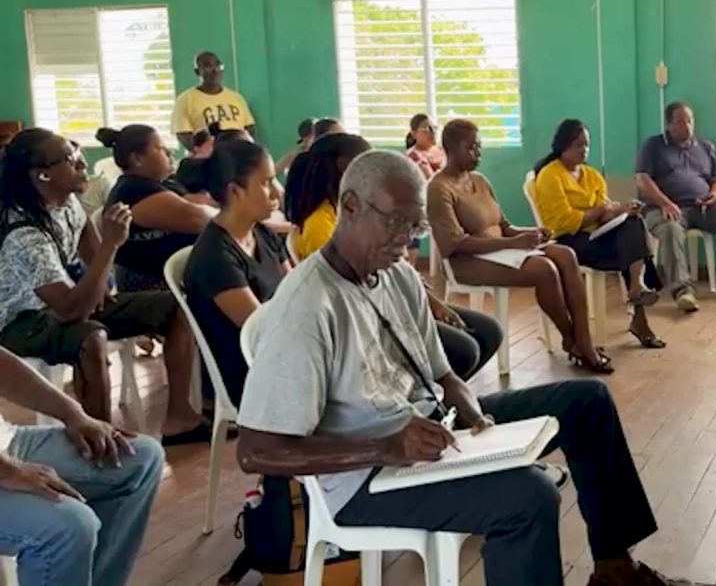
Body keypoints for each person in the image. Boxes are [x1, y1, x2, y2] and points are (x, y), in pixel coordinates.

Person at [236, 150, 681, 586]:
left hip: (429, 435)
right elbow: (256, 450)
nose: (405, 241)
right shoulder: (307, 307)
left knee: (587, 403)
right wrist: (382, 448)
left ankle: (614, 570)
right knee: (527, 497)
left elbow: (443, 376)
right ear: (349, 206)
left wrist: (471, 410)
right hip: (364, 478)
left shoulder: (394, 274)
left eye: (416, 228)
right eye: (396, 224)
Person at [0, 129, 204, 443]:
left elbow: (93, 260)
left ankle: (180, 419)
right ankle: (102, 438)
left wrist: (117, 300)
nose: (82, 163)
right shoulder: (24, 234)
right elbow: (71, 309)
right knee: (90, 336)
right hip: (19, 322)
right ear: (42, 175)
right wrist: (111, 244)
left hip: (66, 303)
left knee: (176, 306)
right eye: (70, 158)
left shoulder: (67, 204)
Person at [288, 133, 500, 379]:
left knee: (488, 331)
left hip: (390, 296)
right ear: (347, 169)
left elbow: (392, 270)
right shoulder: (322, 222)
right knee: (464, 350)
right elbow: (351, 284)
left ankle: (440, 401)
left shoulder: (347, 208)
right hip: (367, 313)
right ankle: (429, 399)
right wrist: (425, 306)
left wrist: (429, 301)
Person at [430, 120, 609, 373]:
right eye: (471, 148)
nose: (478, 153)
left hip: (503, 250)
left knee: (566, 254)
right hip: (468, 262)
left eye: (479, 147)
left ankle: (584, 339)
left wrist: (532, 234)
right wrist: (513, 242)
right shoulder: (439, 189)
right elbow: (454, 244)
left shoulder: (480, 180)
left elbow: (504, 224)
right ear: (450, 148)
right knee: (544, 269)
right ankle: (573, 341)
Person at [0, 345, 164, 586]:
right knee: (67, 527)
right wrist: (8, 470)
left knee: (140, 458)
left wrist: (73, 413)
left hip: (7, 441)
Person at [534, 119, 666, 349]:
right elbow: (563, 222)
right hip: (567, 242)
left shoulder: (592, 175)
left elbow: (604, 212)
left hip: (595, 235)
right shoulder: (550, 175)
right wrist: (601, 210)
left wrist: (621, 210)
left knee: (633, 223)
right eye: (577, 145)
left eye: (586, 144)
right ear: (563, 145)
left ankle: (636, 287)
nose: (583, 150)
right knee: (631, 248)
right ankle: (639, 310)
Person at [183, 141, 290, 406]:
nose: (277, 191)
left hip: (283, 353)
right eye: (267, 182)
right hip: (250, 373)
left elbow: (297, 288)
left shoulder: (262, 232)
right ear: (235, 191)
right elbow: (260, 331)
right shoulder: (215, 257)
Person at [635, 101, 716, 313]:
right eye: (680, 121)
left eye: (689, 121)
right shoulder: (653, 146)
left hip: (700, 207)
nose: (686, 126)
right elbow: (642, 179)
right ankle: (683, 291)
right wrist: (665, 202)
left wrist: (714, 195)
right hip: (662, 209)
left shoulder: (705, 147)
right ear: (668, 124)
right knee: (672, 228)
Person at [100, 125, 214, 291]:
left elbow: (198, 202)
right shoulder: (134, 191)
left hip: (176, 276)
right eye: (160, 148)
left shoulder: (160, 183)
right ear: (137, 159)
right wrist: (231, 212)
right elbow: (199, 218)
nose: (169, 152)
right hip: (153, 286)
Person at [285, 133, 373, 261]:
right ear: (344, 168)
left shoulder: (337, 211)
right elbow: (339, 277)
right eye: (368, 168)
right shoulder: (320, 224)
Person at [171, 51, 256, 150]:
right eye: (207, 66)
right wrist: (203, 154)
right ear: (197, 72)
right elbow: (183, 135)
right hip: (207, 159)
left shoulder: (237, 98)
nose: (215, 69)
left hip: (236, 157)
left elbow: (249, 128)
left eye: (218, 65)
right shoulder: (185, 100)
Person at [405, 113, 446, 180]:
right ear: (414, 134)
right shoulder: (414, 156)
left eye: (435, 128)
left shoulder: (441, 149)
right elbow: (431, 182)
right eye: (428, 129)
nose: (433, 132)